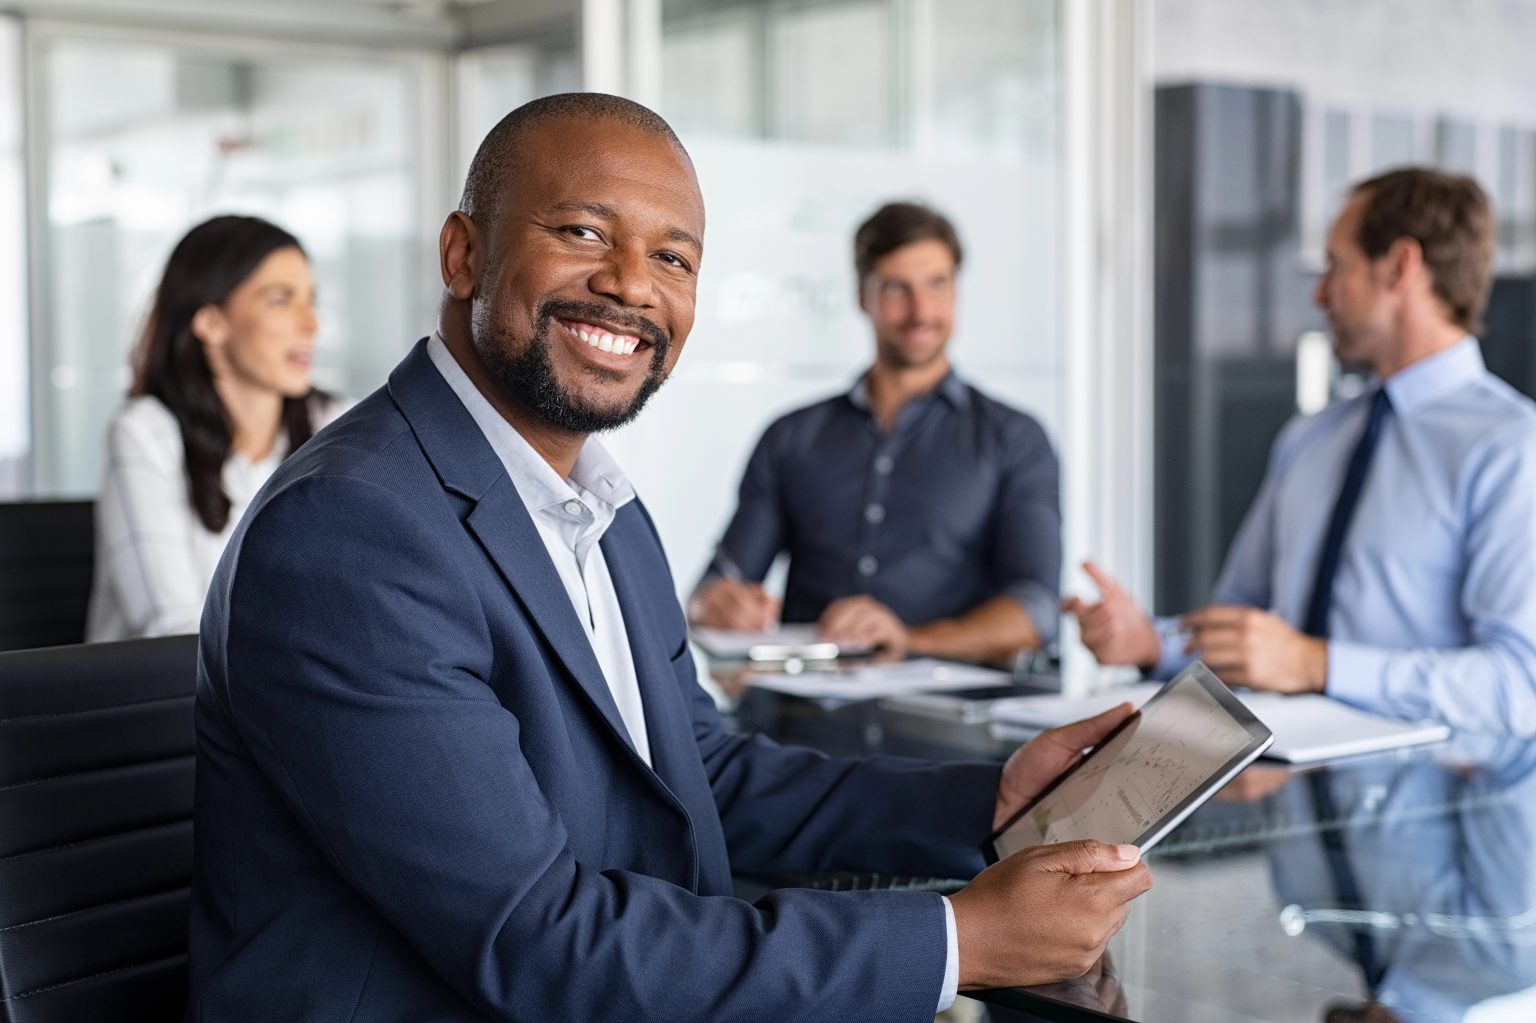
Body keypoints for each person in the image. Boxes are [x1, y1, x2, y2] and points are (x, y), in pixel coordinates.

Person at [187, 93, 1151, 1021]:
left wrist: (992, 798)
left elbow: (702, 776)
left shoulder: (598, 505)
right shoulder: (354, 528)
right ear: (464, 252)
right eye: (584, 233)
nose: (634, 285)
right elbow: (536, 943)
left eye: (674, 258)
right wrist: (958, 941)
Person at [1066, 168, 1536, 735]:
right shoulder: (1311, 438)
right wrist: (1150, 643)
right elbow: (1248, 627)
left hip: (1431, 807)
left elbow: (1519, 686)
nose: (1318, 293)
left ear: (1399, 266)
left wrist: (1317, 665)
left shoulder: (1511, 447)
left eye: (1335, 266)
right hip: (1283, 792)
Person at [688, 202, 1060, 665]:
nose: (921, 311)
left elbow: (1036, 610)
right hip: (802, 714)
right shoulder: (790, 437)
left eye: (937, 285)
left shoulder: (1014, 439)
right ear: (862, 296)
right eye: (896, 288)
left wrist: (910, 639)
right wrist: (717, 604)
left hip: (950, 721)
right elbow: (716, 584)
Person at [85, 214, 346, 641]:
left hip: (293, 695)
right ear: (211, 323)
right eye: (281, 300)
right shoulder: (146, 434)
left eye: (311, 300)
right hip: (163, 701)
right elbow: (170, 631)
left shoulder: (338, 423)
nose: (311, 323)